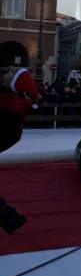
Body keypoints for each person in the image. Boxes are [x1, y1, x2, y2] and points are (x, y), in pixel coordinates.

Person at [0, 66, 39, 234]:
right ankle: (8, 216)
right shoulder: (15, 101)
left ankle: (8, 216)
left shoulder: (9, 102)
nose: (5, 73)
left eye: (9, 73)